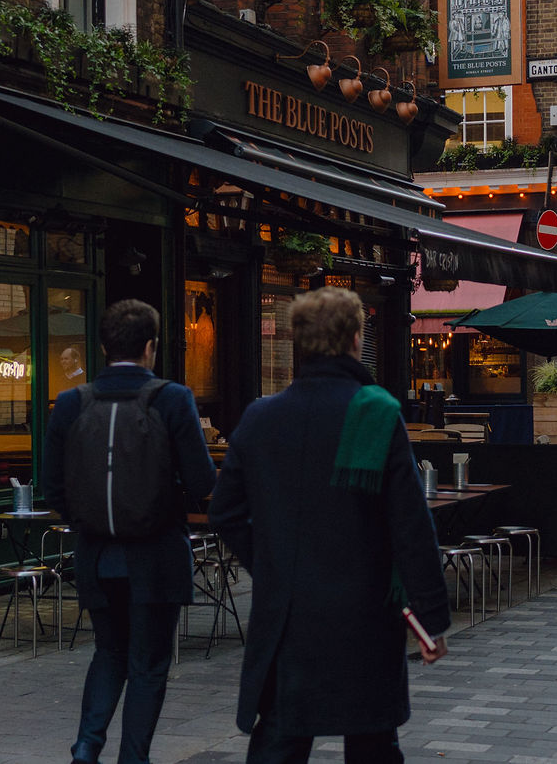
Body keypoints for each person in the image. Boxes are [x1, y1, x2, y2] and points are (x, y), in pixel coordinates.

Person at [209, 287, 451, 763]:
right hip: (364, 614)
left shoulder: (260, 418)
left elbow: (225, 512)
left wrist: (273, 562)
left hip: (288, 615)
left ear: (299, 342)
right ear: (356, 338)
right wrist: (431, 619)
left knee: (281, 736)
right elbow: (410, 526)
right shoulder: (377, 414)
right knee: (373, 740)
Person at [45, 300, 218, 764]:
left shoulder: (70, 403)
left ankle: (87, 745)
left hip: (96, 556)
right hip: (156, 554)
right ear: (150, 347)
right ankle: (133, 758)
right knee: (148, 665)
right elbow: (203, 483)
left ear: (103, 347)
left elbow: (50, 487)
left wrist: (86, 520)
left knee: (109, 651)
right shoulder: (172, 399)